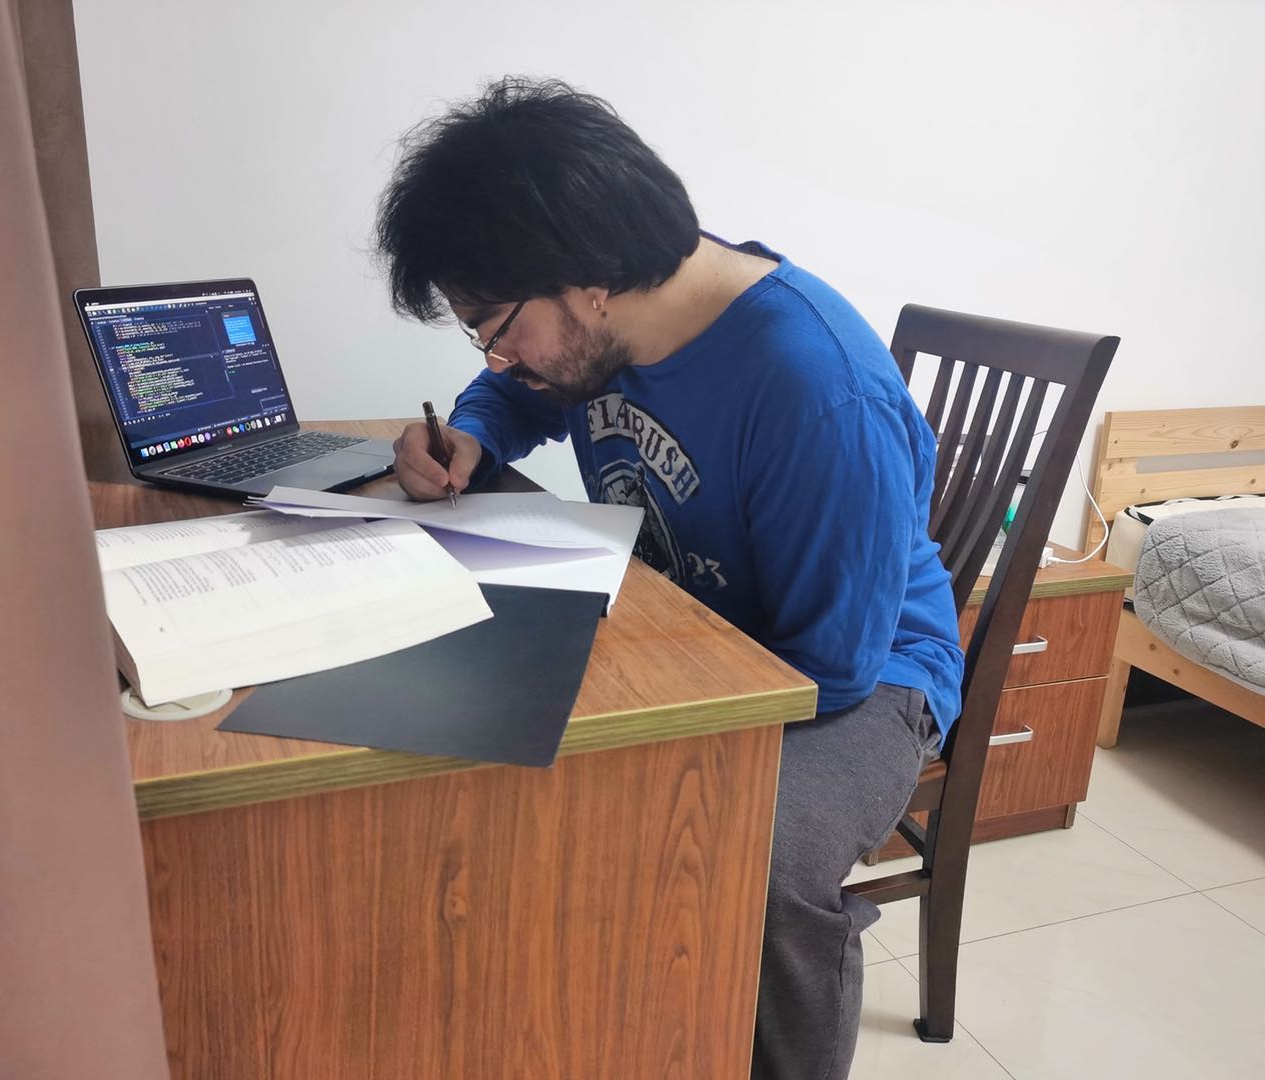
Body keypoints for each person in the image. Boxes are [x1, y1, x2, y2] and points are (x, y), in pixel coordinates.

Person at [374, 77, 964, 1080]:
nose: (496, 356)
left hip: (866, 679)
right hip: (693, 624)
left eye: (495, 325)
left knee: (755, 856)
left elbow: (831, 667)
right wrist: (470, 434)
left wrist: (633, 693)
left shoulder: (816, 389)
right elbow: (516, 395)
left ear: (587, 277)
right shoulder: (609, 328)